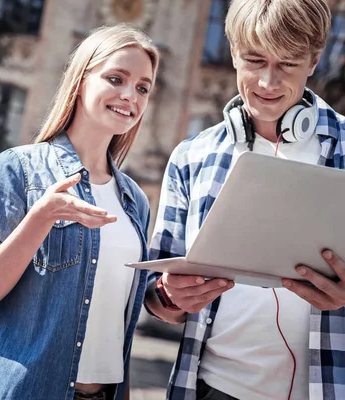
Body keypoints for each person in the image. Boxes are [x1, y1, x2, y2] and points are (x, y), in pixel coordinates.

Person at [145, 1, 345, 399]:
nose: (268, 82)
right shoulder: (192, 156)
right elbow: (154, 294)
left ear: (314, 60)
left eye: (287, 64)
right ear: (234, 51)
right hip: (212, 390)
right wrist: (169, 296)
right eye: (255, 60)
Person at [0, 24, 160, 400]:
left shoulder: (135, 200)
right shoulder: (19, 169)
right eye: (116, 78)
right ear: (81, 81)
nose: (130, 95)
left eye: (143, 87)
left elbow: (118, 322)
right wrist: (41, 216)